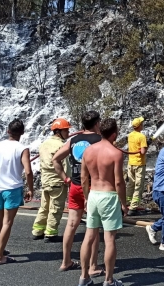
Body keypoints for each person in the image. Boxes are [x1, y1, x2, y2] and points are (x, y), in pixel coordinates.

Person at [52, 111, 103, 274]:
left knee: (71, 224)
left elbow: (56, 159)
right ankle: (93, 266)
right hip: (92, 187)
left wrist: (65, 178)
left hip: (74, 186)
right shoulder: (99, 140)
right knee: (93, 226)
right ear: (96, 124)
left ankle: (66, 261)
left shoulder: (73, 140)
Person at [79, 118, 126, 286]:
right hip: (109, 196)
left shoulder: (88, 151)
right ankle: (109, 280)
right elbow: (119, 182)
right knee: (109, 239)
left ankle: (84, 278)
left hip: (93, 195)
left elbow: (84, 178)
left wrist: (86, 198)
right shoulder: (116, 153)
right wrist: (124, 203)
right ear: (114, 134)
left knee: (89, 236)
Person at [0, 119, 34, 265]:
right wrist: (30, 189)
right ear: (22, 132)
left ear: (8, 131)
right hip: (13, 188)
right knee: (7, 222)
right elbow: (28, 172)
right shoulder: (22, 148)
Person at [32, 118, 71, 242]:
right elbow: (65, 165)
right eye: (66, 130)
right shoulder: (61, 146)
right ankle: (51, 233)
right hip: (57, 182)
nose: (68, 133)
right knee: (55, 208)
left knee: (44, 207)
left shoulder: (44, 144)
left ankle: (38, 231)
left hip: (46, 181)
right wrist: (68, 180)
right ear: (58, 131)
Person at [126, 116, 149, 216]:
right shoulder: (142, 137)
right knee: (138, 187)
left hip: (130, 163)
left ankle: (127, 203)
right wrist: (147, 145)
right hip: (139, 164)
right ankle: (133, 208)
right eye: (142, 123)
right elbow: (143, 152)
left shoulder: (130, 135)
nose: (143, 124)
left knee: (130, 184)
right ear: (139, 126)